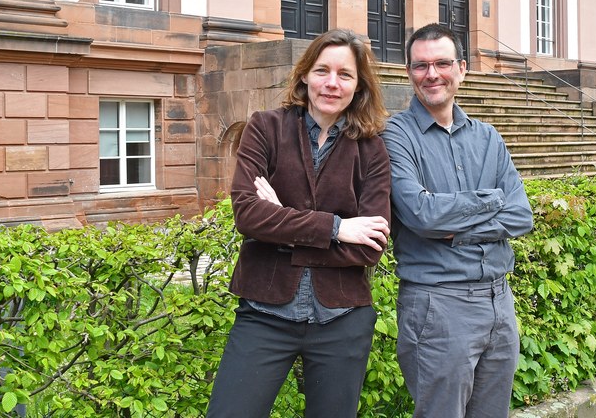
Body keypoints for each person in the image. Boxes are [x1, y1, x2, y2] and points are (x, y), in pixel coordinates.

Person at [207, 29, 393, 418]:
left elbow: (370, 246)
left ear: (358, 87)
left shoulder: (372, 148)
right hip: (265, 313)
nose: (331, 83)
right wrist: (337, 227)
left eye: (345, 74)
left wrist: (282, 220)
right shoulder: (266, 127)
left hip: (342, 318)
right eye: (322, 70)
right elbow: (248, 214)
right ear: (305, 74)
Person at [382, 23, 534, 418]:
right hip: (438, 305)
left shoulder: (488, 137)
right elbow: (421, 215)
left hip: (499, 300)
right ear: (409, 72)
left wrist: (456, 229)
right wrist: (489, 200)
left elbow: (520, 214)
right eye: (420, 66)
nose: (431, 74)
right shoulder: (396, 135)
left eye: (442, 63)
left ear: (462, 68)